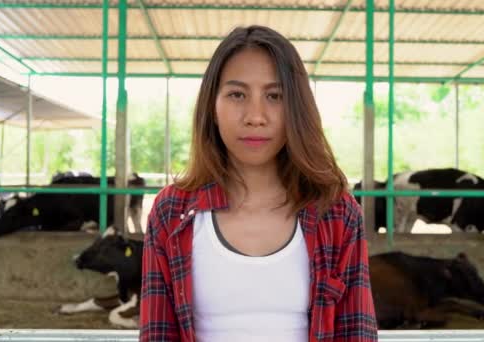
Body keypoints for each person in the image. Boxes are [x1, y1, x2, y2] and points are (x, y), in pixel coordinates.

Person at [139, 25, 377, 342]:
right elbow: (157, 334)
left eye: (274, 96)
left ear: (297, 108)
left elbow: (356, 334)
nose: (255, 116)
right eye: (237, 94)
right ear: (212, 107)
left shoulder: (336, 213)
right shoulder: (172, 212)